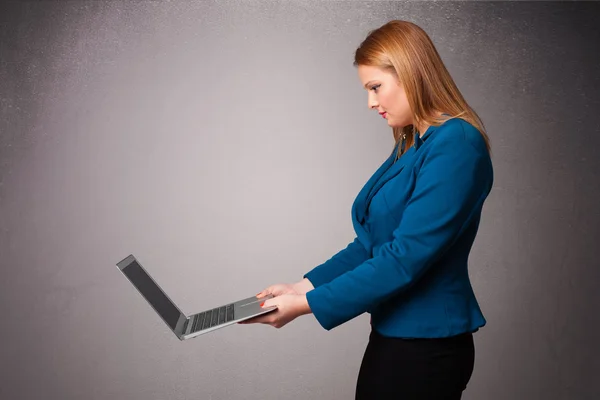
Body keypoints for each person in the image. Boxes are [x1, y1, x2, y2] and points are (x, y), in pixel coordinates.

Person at [238, 19, 493, 400]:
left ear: (410, 72)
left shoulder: (456, 143)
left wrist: (304, 305)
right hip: (395, 337)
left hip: (426, 347)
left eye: (376, 87)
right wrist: (302, 286)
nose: (371, 102)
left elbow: (403, 258)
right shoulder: (414, 144)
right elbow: (371, 242)